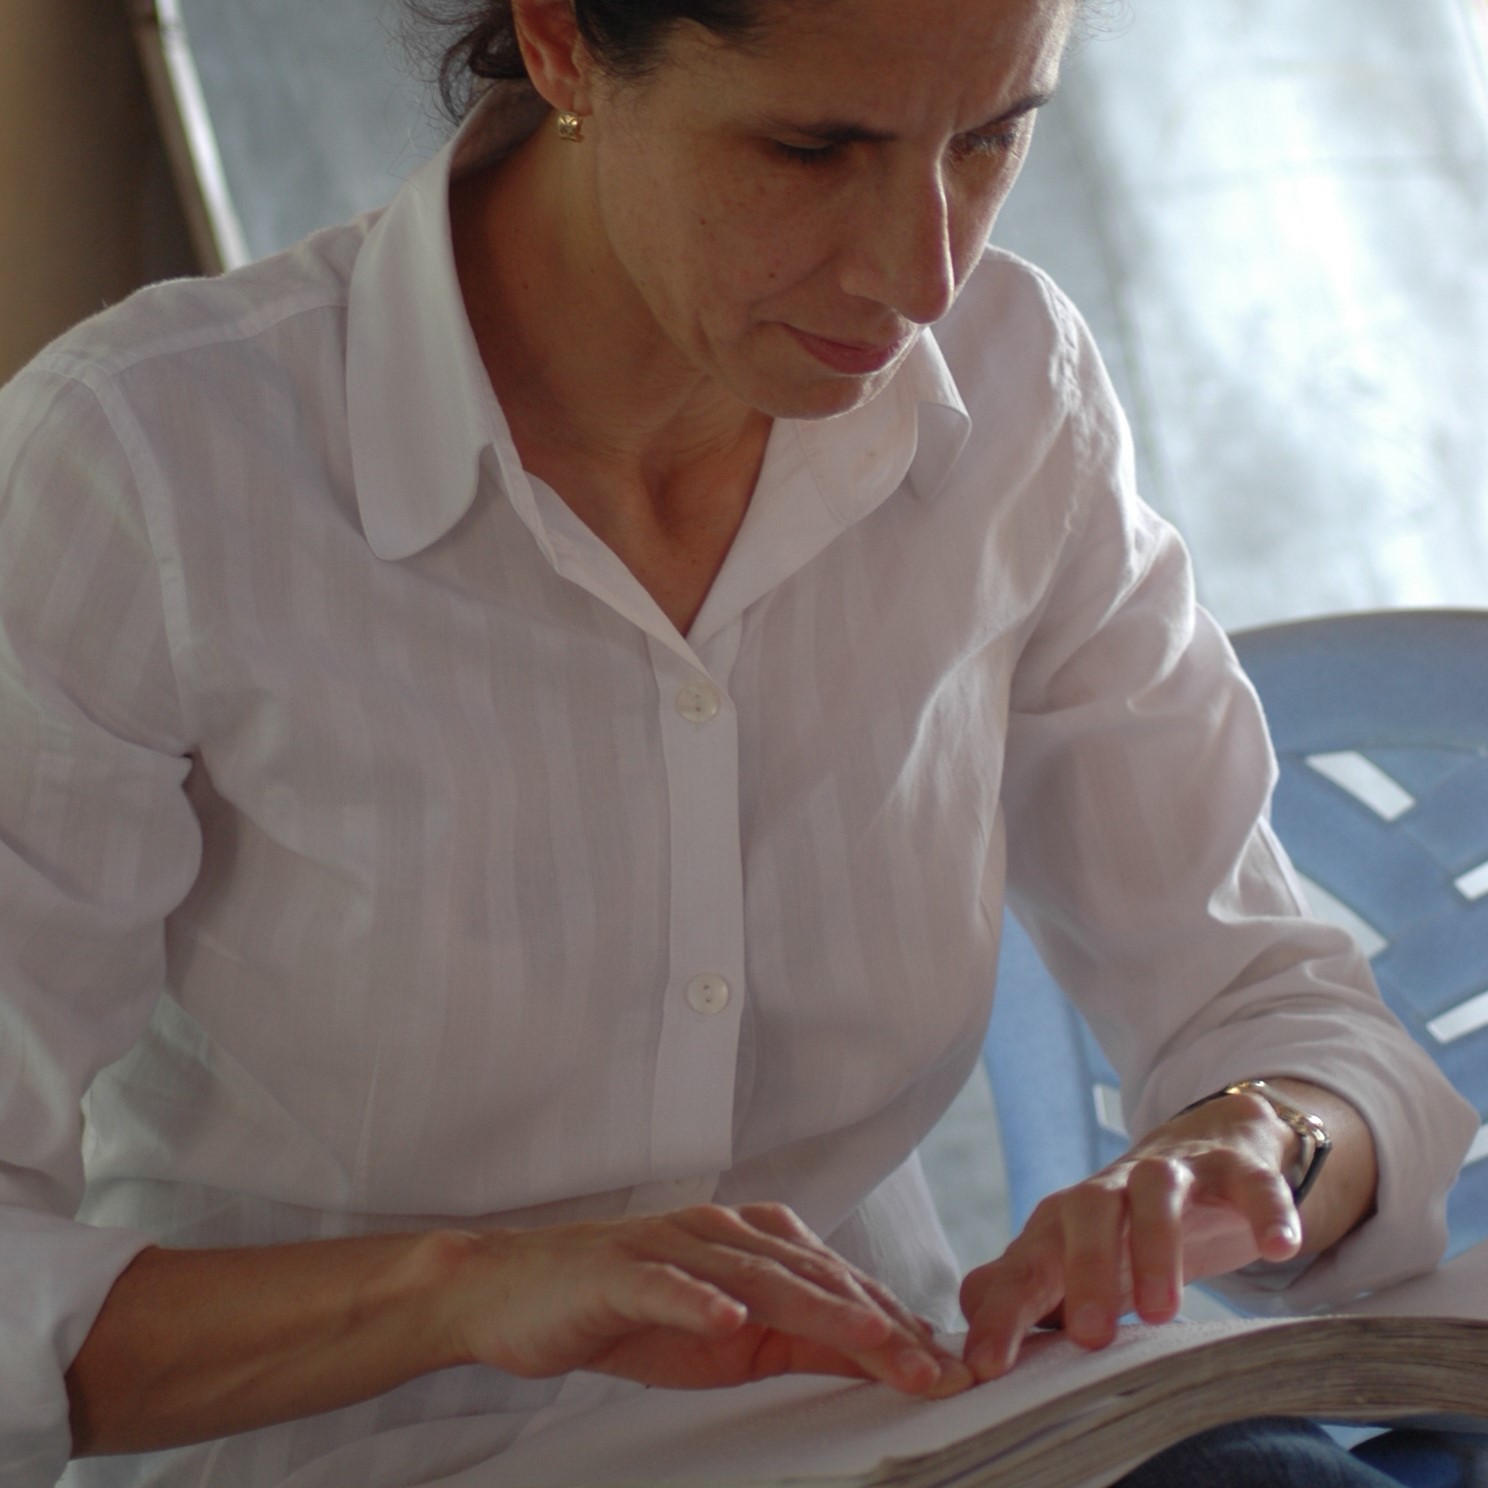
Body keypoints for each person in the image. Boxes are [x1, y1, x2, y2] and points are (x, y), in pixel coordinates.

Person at [0, 0, 1474, 1483]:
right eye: (812, 148)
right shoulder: (148, 466)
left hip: (887, 1433)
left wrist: (1254, 1144)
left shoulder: (1013, 389)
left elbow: (1276, 1007)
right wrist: (456, 1293)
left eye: (989, 139)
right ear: (563, 41)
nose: (922, 272)